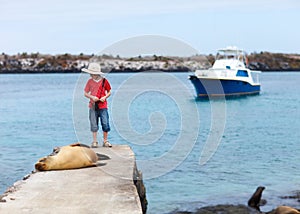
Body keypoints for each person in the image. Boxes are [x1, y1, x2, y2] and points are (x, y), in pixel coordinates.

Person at [82, 62, 112, 148]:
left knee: (105, 123)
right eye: (90, 74)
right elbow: (85, 93)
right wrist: (92, 97)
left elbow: (109, 91)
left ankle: (105, 141)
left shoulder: (104, 81)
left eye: (92, 74)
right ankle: (95, 141)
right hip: (92, 106)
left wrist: (105, 97)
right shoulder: (89, 81)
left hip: (103, 106)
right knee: (93, 124)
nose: (91, 75)